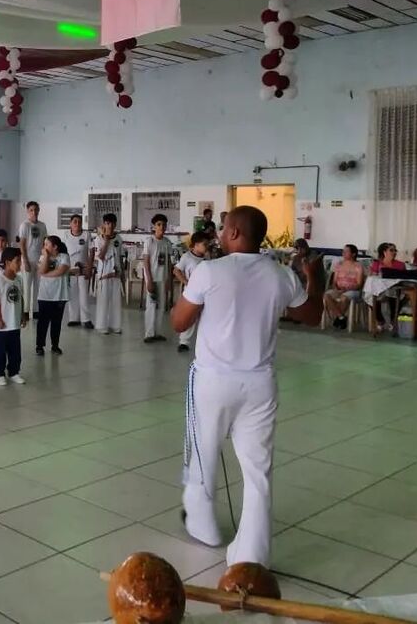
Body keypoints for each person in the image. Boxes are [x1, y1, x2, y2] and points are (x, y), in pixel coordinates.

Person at [171, 206, 323, 565]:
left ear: (236, 233)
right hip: (259, 384)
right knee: (258, 471)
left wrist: (197, 301)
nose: (219, 235)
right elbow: (312, 315)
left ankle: (203, 525)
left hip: (213, 380)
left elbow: (178, 322)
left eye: (224, 229)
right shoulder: (280, 275)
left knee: (204, 450)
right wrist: (313, 278)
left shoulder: (210, 270)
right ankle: (252, 556)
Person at [0, 247, 26, 386]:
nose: (20, 264)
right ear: (7, 262)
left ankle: (14, 372)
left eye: (20, 261)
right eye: (17, 261)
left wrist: (23, 315)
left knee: (15, 351)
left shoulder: (19, 279)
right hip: (3, 324)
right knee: (0, 351)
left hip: (14, 322)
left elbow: (21, 298)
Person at [173, 231, 210, 353]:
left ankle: (206, 342)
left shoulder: (207, 258)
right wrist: (186, 282)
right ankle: (184, 342)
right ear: (196, 245)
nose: (207, 246)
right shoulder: (187, 257)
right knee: (190, 316)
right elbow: (176, 270)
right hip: (192, 293)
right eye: (204, 244)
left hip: (206, 293)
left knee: (205, 317)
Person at [35, 236, 70, 356]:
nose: (44, 247)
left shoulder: (64, 257)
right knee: (42, 322)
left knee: (56, 322)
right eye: (44, 244)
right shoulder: (42, 257)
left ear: (55, 247)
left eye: (47, 244)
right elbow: (41, 270)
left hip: (59, 296)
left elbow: (61, 271)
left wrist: (46, 274)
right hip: (44, 295)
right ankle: (39, 346)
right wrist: (46, 256)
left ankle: (55, 346)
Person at [142, 213, 173, 344]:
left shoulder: (167, 243)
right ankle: (149, 333)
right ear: (154, 226)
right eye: (159, 224)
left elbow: (169, 262)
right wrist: (149, 280)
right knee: (151, 306)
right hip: (152, 278)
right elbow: (146, 261)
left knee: (161, 306)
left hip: (163, 278)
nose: (161, 227)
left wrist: (169, 279)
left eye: (164, 225)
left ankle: (158, 332)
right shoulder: (149, 241)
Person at [323, 244, 365, 330]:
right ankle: (341, 317)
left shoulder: (358, 266)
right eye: (343, 251)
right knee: (326, 296)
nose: (343, 253)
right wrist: (336, 289)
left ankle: (339, 318)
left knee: (344, 297)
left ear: (353, 254)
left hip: (353, 290)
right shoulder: (339, 265)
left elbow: (359, 284)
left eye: (346, 251)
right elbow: (334, 281)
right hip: (339, 289)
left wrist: (347, 289)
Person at [17, 201, 48, 318]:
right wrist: (25, 261)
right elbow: (22, 244)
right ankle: (25, 311)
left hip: (39, 260)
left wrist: (45, 258)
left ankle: (36, 311)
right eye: (31, 210)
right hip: (28, 259)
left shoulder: (42, 225)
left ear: (38, 211)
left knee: (38, 286)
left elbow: (45, 242)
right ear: (28, 211)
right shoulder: (25, 225)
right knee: (26, 286)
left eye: (36, 210)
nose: (34, 212)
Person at [94, 212, 123, 335]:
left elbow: (120, 256)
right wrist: (106, 240)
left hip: (116, 273)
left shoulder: (118, 239)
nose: (109, 226)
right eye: (107, 223)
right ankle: (102, 326)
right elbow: (100, 256)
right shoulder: (98, 239)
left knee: (115, 301)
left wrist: (122, 273)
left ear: (115, 224)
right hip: (104, 273)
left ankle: (115, 326)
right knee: (103, 300)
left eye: (112, 223)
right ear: (104, 224)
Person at [64, 214, 94, 329]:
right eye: (75, 222)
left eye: (79, 222)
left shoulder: (86, 235)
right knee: (73, 295)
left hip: (84, 270)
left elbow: (92, 251)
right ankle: (73, 318)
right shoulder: (66, 235)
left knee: (84, 295)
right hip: (71, 269)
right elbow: (63, 252)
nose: (77, 224)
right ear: (70, 224)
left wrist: (89, 268)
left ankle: (86, 319)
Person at [369, 242, 406, 335]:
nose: (394, 252)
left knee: (394, 295)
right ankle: (380, 321)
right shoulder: (377, 264)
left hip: (394, 289)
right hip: (379, 289)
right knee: (371, 297)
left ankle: (392, 322)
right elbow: (372, 278)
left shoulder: (400, 265)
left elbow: (403, 279)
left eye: (395, 250)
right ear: (384, 252)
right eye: (391, 250)